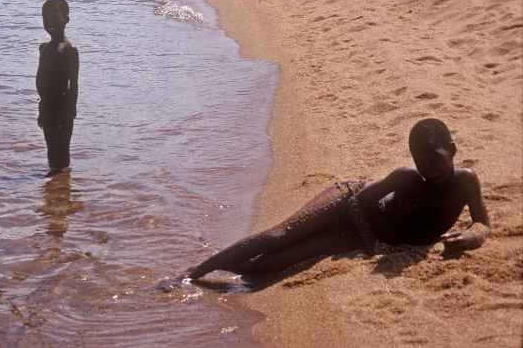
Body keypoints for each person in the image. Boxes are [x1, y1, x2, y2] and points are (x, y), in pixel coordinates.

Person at [187, 118, 491, 280]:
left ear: (452, 150)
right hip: (348, 203)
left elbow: (482, 223)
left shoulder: (466, 181)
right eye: (422, 163)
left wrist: (470, 237)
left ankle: (226, 268)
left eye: (436, 161)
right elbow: (357, 203)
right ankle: (193, 273)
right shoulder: (406, 177)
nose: (430, 171)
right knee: (279, 237)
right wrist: (373, 244)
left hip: (358, 235)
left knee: (278, 262)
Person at [36, 0, 79, 176]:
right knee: (51, 145)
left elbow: (74, 83)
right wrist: (42, 107)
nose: (50, 23)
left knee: (61, 146)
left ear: (66, 19)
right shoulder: (44, 48)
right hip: (46, 104)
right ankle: (57, 180)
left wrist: (70, 110)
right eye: (46, 19)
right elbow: (41, 79)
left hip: (62, 106)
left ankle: (61, 177)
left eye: (55, 17)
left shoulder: (69, 50)